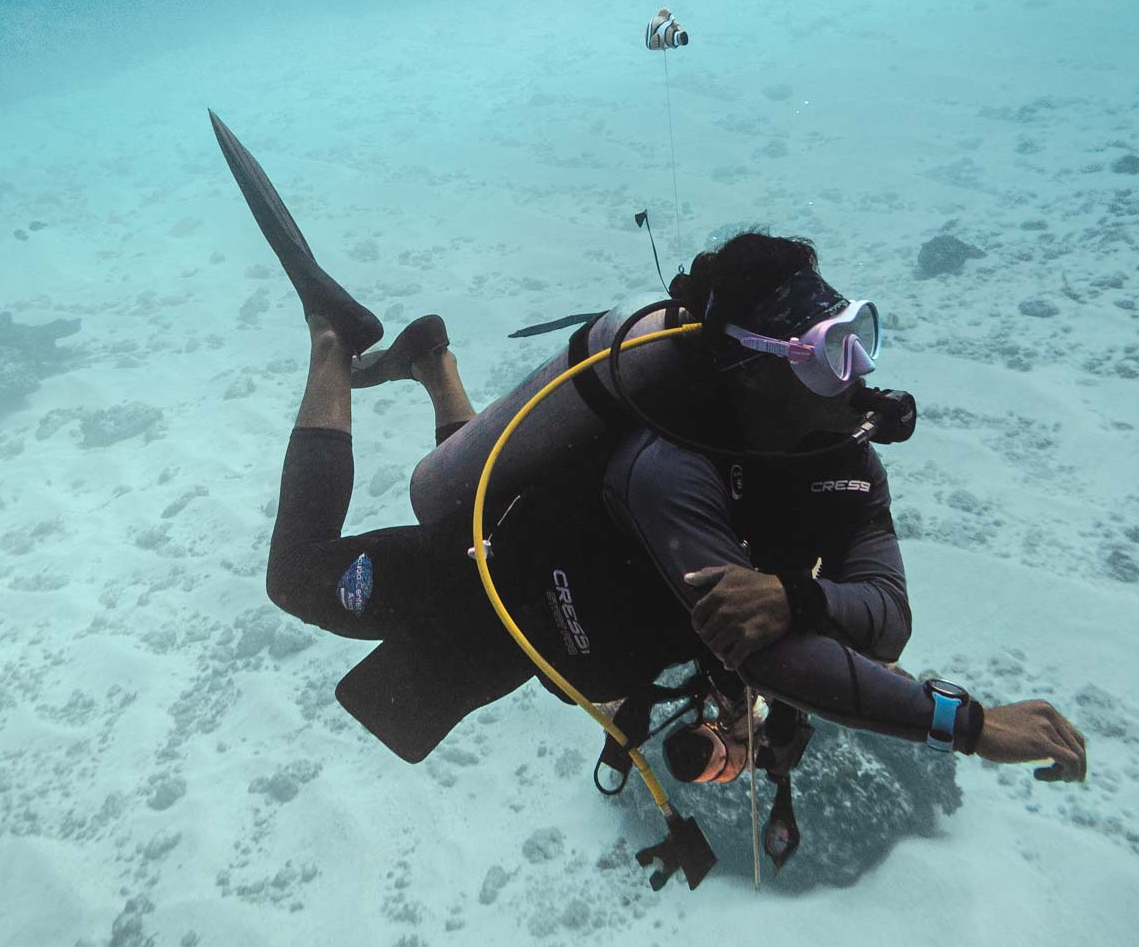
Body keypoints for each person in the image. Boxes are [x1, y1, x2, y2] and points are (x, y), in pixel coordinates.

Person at [212, 112, 1087, 808]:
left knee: (484, 520)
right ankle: (333, 341)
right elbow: (775, 661)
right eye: (826, 352)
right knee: (296, 576)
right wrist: (968, 724)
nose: (855, 376)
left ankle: (432, 361)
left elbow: (888, 620)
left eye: (858, 336)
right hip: (477, 584)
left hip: (548, 634)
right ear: (752, 369)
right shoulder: (668, 470)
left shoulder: (842, 463)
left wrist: (799, 597)